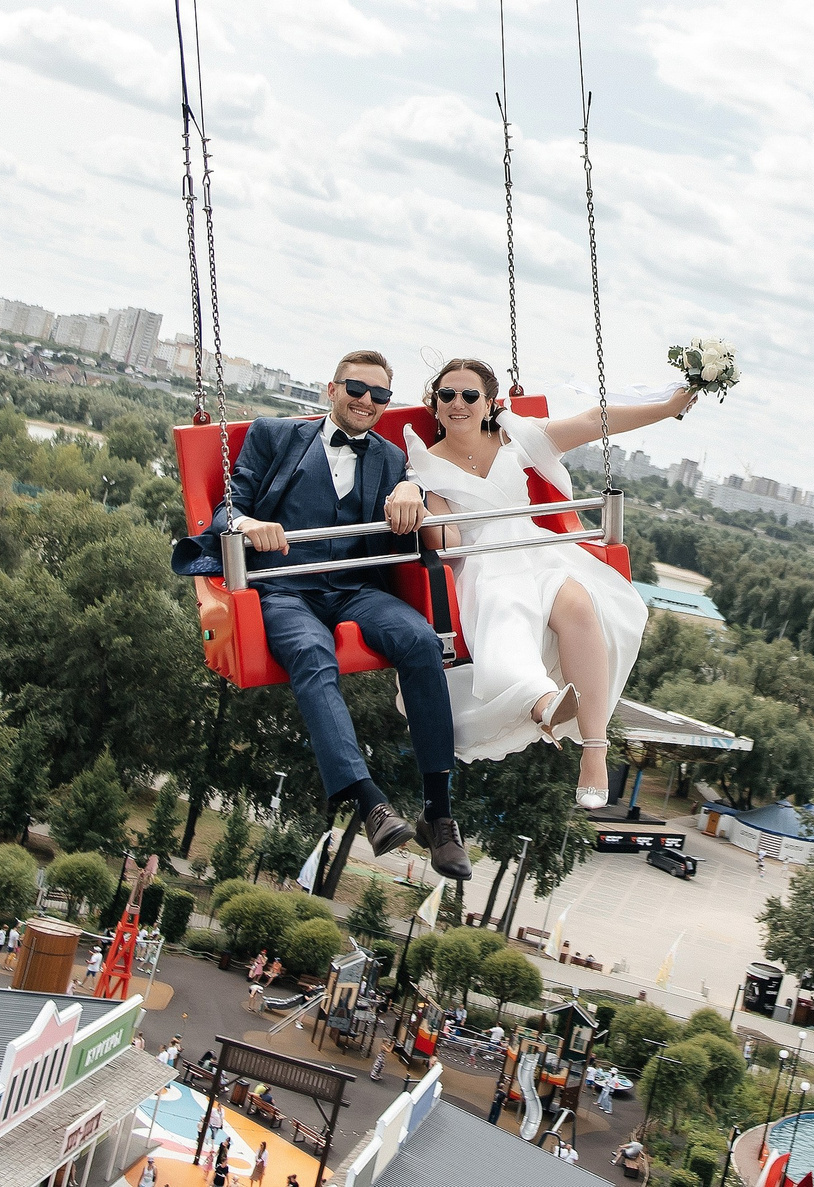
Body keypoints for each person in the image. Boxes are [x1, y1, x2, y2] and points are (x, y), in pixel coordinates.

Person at [173, 350, 469, 879]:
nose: (367, 402)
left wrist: (411, 489)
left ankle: (439, 813)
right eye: (357, 389)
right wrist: (246, 527)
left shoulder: (388, 457)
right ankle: (367, 799)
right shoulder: (274, 436)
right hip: (285, 588)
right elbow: (227, 507)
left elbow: (420, 497)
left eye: (380, 396)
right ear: (330, 389)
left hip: (354, 587)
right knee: (312, 653)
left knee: (422, 640)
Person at [402, 357, 697, 804]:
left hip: (539, 548)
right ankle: (541, 701)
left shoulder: (516, 438)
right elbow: (450, 538)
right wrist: (420, 507)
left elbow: (592, 422)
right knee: (509, 615)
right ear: (435, 403)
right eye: (447, 395)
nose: (457, 404)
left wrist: (666, 407)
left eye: (469, 396)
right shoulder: (426, 464)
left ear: (488, 403)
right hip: (483, 560)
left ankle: (594, 752)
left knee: (579, 603)